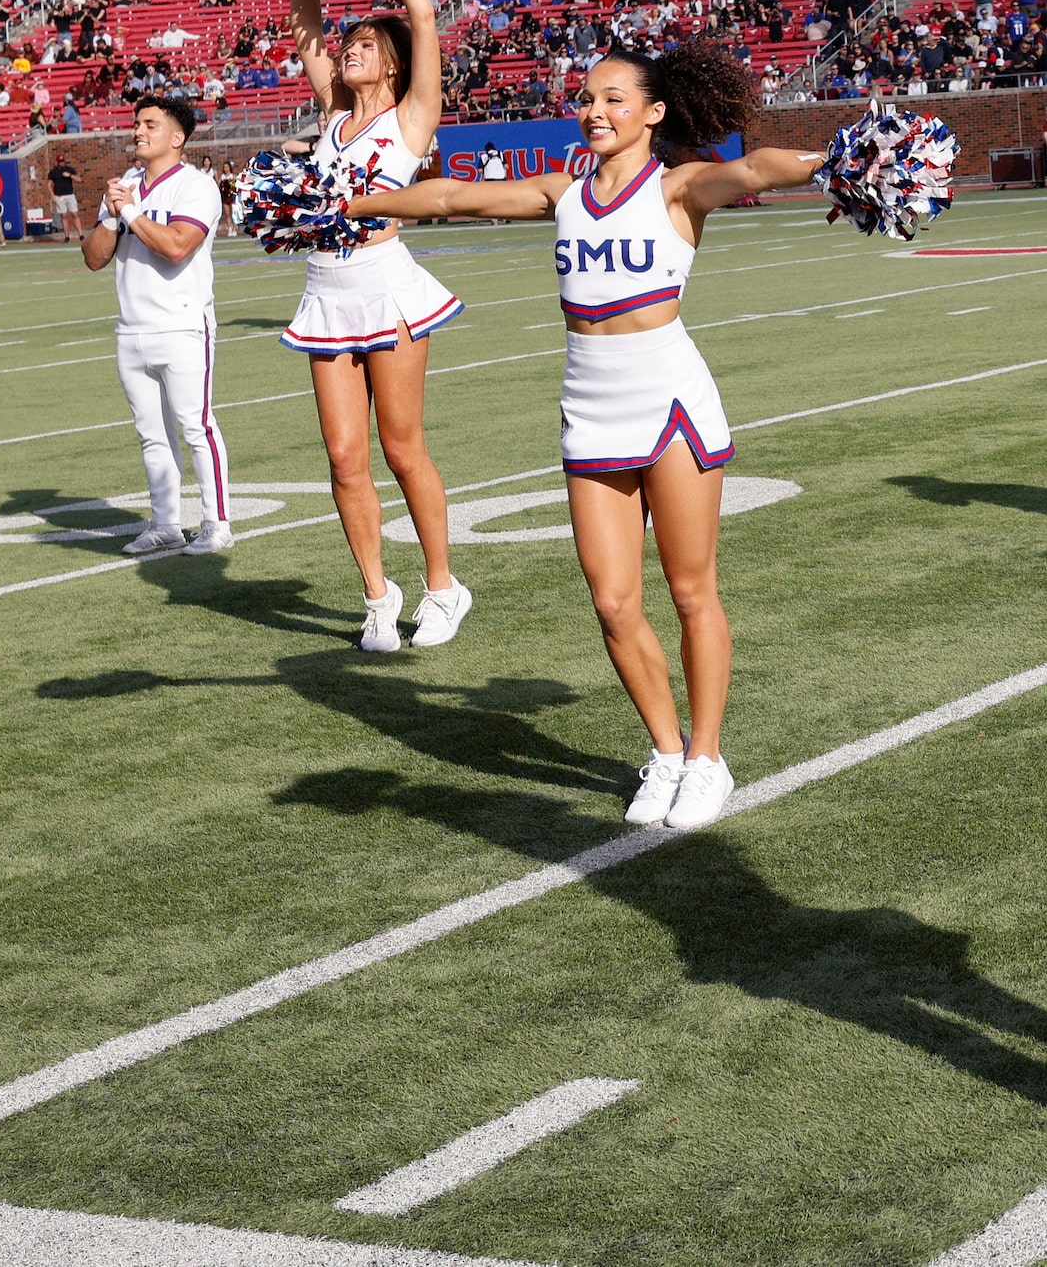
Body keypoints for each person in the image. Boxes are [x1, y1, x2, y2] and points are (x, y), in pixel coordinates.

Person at [345, 41, 840, 834]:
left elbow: (755, 171)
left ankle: (709, 757)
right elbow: (459, 199)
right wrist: (353, 206)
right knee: (612, 603)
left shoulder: (679, 189)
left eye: (615, 99)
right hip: (590, 407)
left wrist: (837, 157)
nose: (595, 111)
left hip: (671, 401)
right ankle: (668, 751)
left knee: (689, 591)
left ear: (653, 113)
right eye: (587, 97)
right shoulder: (562, 194)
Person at [284, 0, 469, 654]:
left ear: (390, 62)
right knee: (341, 456)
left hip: (387, 285)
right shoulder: (334, 113)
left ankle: (443, 587)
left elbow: (423, 18)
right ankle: (375, 597)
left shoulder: (411, 115)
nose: (348, 51)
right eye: (347, 44)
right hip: (327, 290)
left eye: (363, 44)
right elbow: (304, 26)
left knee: (401, 447)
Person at [83, 95, 234, 555]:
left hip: (183, 325)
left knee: (196, 426)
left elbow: (176, 247)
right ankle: (166, 522)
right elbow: (92, 258)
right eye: (136, 123)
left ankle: (217, 522)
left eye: (150, 123)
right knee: (152, 433)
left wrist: (128, 212)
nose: (138, 131)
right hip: (131, 327)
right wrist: (111, 216)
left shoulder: (196, 185)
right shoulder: (126, 185)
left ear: (177, 137)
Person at [49, 159, 84, 242]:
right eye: (60, 162)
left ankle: (81, 234)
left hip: (70, 195)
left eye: (62, 161)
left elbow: (79, 179)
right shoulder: (53, 172)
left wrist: (70, 175)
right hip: (59, 196)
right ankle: (67, 236)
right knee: (64, 216)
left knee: (74, 214)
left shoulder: (69, 169)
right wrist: (52, 195)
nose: (62, 163)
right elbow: (49, 184)